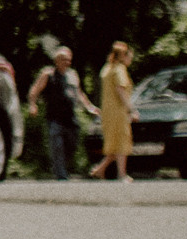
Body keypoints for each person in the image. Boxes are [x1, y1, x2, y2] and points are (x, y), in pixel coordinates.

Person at [30, 44, 96, 180]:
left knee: (72, 144)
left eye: (68, 59)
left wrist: (89, 107)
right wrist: (32, 104)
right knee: (57, 146)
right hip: (54, 118)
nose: (67, 62)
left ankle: (61, 168)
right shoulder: (48, 74)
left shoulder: (72, 75)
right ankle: (61, 175)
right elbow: (35, 90)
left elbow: (79, 93)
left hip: (70, 118)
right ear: (57, 60)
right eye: (64, 59)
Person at [89, 40, 137, 183]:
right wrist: (131, 109)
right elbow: (120, 90)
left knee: (113, 143)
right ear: (124, 56)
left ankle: (99, 169)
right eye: (129, 57)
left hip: (108, 112)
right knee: (122, 141)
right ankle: (121, 174)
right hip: (118, 111)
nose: (130, 60)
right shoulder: (119, 69)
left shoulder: (106, 68)